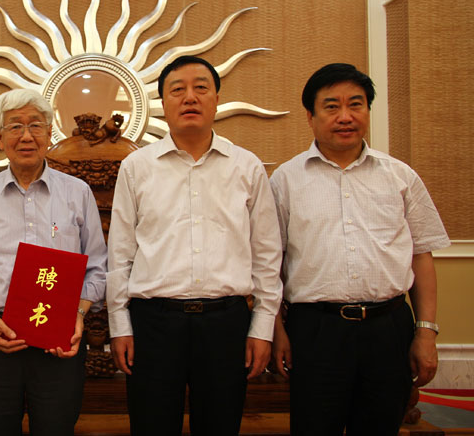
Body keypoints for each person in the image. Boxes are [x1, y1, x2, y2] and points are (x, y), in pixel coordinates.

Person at [269, 63, 450, 436]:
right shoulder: (285, 180)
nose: (345, 116)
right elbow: (271, 263)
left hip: (389, 329)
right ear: (311, 116)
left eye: (356, 104)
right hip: (315, 331)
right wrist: (277, 330)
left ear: (368, 110)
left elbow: (421, 256)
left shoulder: (400, 176)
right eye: (331, 106)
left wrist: (426, 332)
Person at [107, 55, 283, 435]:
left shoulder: (246, 166)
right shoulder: (137, 167)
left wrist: (262, 327)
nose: (190, 97)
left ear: (216, 99)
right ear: (164, 103)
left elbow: (267, 256)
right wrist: (119, 324)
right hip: (154, 323)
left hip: (226, 323)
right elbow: (120, 255)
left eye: (201, 88)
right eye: (178, 90)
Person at [0, 89, 107, 436]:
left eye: (35, 125)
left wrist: (78, 315)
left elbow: (97, 268)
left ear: (49, 134)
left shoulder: (77, 192)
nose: (26, 136)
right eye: (15, 126)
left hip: (59, 340)